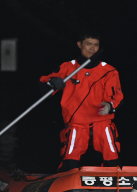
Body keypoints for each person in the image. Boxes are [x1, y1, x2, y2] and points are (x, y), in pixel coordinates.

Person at [40, 32, 124, 172]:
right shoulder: (68, 67)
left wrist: (109, 106)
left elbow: (117, 96)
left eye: (96, 45)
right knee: (71, 152)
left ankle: (114, 177)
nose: (92, 48)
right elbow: (44, 83)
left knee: (109, 146)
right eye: (88, 44)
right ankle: (67, 179)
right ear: (80, 45)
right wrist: (53, 82)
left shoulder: (109, 71)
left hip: (100, 120)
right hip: (76, 121)